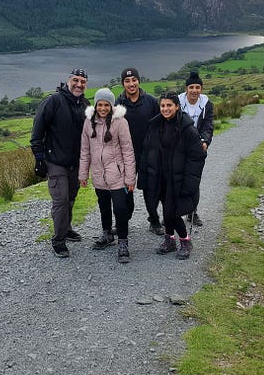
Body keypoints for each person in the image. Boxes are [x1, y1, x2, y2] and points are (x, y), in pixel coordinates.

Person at [30, 68, 90, 258]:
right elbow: (37, 132)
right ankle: (58, 240)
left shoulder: (85, 105)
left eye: (82, 81)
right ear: (68, 81)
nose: (79, 84)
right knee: (61, 200)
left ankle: (67, 228)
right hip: (55, 161)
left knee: (70, 198)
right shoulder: (53, 101)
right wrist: (39, 158)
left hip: (76, 163)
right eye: (76, 80)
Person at [138, 92, 206, 259]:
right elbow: (147, 151)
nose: (165, 109)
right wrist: (145, 175)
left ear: (177, 106)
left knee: (172, 212)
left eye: (169, 105)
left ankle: (185, 241)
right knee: (166, 209)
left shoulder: (188, 129)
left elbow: (197, 157)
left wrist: (190, 183)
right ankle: (169, 240)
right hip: (160, 177)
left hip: (178, 179)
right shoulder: (155, 126)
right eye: (162, 106)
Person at [79, 88, 136, 264]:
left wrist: (129, 178)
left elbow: (128, 150)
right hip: (98, 175)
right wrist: (83, 174)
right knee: (104, 207)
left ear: (112, 106)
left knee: (120, 209)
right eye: (100, 104)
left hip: (117, 175)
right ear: (95, 105)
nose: (103, 108)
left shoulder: (120, 122)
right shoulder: (88, 123)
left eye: (106, 105)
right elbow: (85, 150)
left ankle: (123, 243)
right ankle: (106, 235)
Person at [115, 67, 164, 235]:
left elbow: (160, 126)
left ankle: (154, 220)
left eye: (134, 80)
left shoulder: (151, 101)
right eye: (127, 81)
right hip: (126, 155)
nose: (131, 84)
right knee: (125, 191)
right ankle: (123, 222)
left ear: (139, 81)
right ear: (123, 83)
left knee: (150, 189)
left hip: (149, 154)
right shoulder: (118, 103)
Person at [178, 71, 214, 226]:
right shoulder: (177, 101)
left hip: (197, 146)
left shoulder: (207, 104)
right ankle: (174, 212)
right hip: (179, 146)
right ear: (186, 88)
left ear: (201, 88)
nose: (194, 90)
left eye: (197, 87)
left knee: (193, 180)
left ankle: (193, 212)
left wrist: (205, 141)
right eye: (191, 87)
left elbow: (208, 125)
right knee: (175, 180)